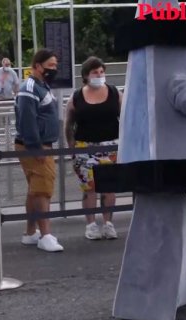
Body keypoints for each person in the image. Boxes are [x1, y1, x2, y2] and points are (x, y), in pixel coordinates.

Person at [98, 1, 186, 320]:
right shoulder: (173, 65)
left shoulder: (140, 65)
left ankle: (183, 289)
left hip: (142, 157)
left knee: (162, 228)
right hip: (172, 157)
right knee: (164, 233)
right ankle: (148, 303)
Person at [64, 56, 121, 240]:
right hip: (84, 146)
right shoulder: (77, 96)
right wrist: (71, 144)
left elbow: (126, 117)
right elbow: (68, 123)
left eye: (102, 71)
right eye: (95, 72)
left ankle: (108, 223)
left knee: (109, 188)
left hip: (111, 145)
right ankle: (90, 224)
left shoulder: (114, 93)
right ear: (86, 76)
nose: (99, 75)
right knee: (89, 188)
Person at [14, 49, 64, 252]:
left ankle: (30, 232)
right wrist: (36, 148)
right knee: (43, 190)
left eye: (55, 66)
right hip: (36, 145)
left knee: (35, 190)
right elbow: (27, 120)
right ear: (36, 66)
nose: (54, 69)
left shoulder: (43, 86)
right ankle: (45, 234)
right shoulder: (30, 87)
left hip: (39, 144)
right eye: (50, 66)